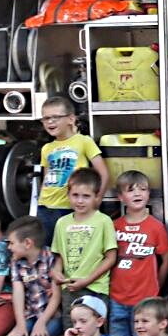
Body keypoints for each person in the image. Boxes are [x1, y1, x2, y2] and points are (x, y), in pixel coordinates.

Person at [110, 170, 168, 336]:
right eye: (131, 190)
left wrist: (156, 288)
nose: (137, 194)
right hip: (117, 297)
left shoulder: (155, 226)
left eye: (143, 189)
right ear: (120, 197)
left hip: (145, 299)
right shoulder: (113, 226)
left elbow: (166, 258)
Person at [51, 167, 118, 327]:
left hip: (96, 288)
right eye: (75, 195)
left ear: (96, 197)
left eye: (86, 196)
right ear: (68, 195)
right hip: (71, 288)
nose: (80, 201)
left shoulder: (103, 221)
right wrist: (56, 271)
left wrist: (87, 280)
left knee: (95, 332)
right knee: (73, 331)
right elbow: (59, 255)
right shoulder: (62, 223)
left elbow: (111, 257)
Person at [36, 95, 109, 237]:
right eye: (45, 118)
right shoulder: (46, 148)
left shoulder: (84, 141)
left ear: (71, 119)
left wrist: (97, 198)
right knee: (49, 250)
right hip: (44, 207)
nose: (50, 121)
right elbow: (46, 177)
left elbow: (103, 173)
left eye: (56, 117)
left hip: (69, 207)